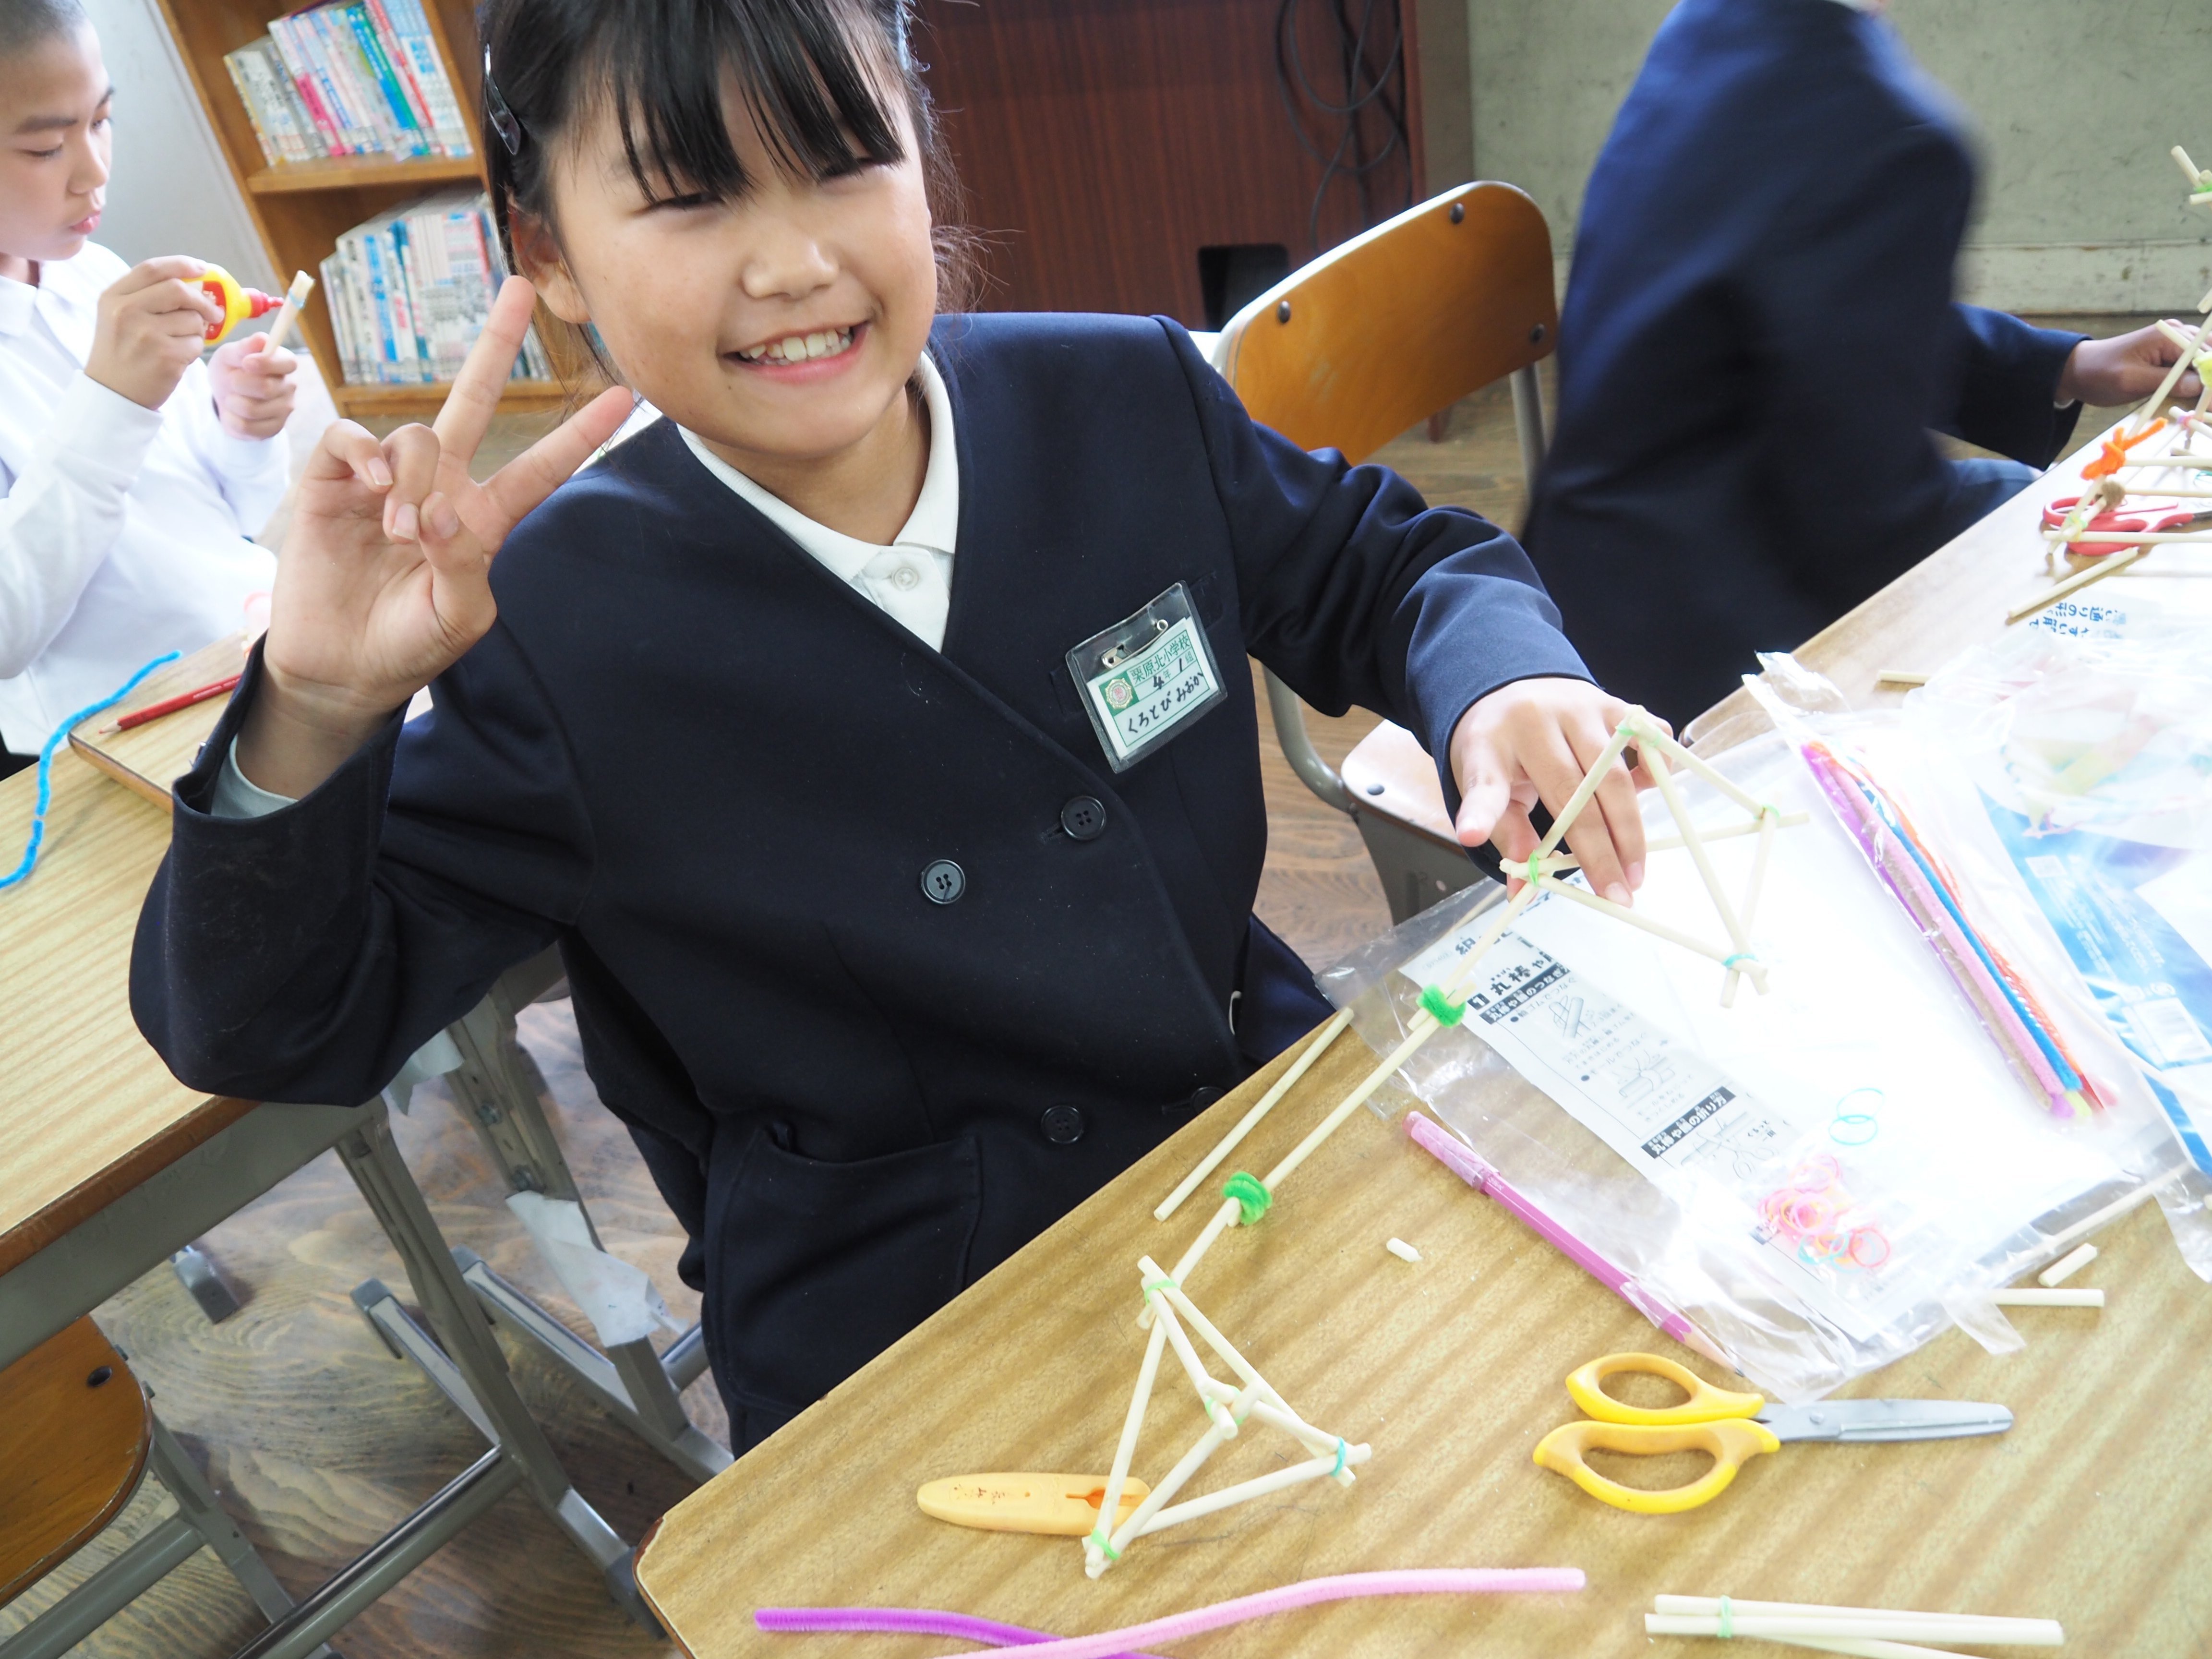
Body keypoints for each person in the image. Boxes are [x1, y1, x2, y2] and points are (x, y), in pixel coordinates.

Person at [131, 0, 1652, 1449]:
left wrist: (1499, 677)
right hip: (904, 1308)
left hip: (1254, 1127)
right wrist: (318, 703)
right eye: (691, 198)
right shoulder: (551, 623)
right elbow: (271, 1024)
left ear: (922, 152)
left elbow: (1387, 562)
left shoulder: (1122, 397)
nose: (795, 263)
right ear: (549, 254)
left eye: (847, 160)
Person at [1521, 0, 2205, 728]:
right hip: (1696, 652)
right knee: (2101, 578)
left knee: (2039, 504)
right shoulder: (1890, 131)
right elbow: (1866, 520)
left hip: (1581, 577)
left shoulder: (1715, 22)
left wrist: (2065, 365)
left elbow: (1798, 305)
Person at [0, 0, 297, 778]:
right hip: (123, 739)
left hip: (255, 647)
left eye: (101, 121)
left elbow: (235, 517)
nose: (95, 171)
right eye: (44, 148)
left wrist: (241, 428)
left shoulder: (92, 273)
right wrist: (113, 403)